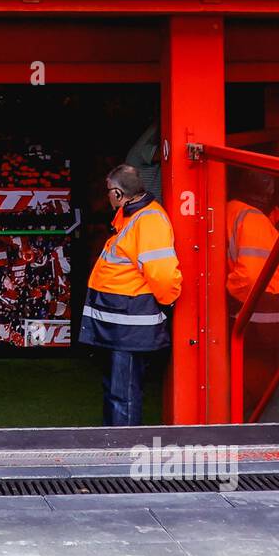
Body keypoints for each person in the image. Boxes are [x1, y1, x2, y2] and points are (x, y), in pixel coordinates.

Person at [78, 164, 181, 425]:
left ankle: (123, 453)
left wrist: (167, 304)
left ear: (117, 193)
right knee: (117, 389)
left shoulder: (148, 220)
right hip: (123, 323)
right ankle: (116, 445)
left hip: (130, 325)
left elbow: (164, 275)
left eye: (108, 193)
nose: (107, 198)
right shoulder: (136, 216)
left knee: (122, 393)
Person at [226, 169, 279, 414]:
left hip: (257, 314)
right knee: (260, 378)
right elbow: (250, 277)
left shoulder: (237, 213)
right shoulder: (252, 218)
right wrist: (231, 297)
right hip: (261, 316)